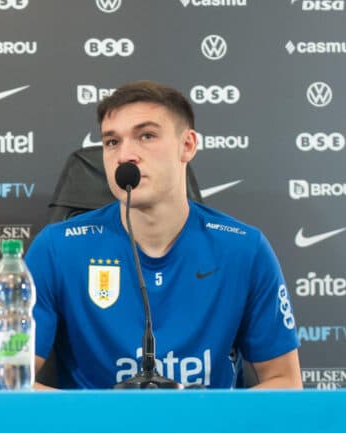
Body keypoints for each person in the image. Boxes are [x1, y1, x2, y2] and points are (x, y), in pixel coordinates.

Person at [25, 80, 302, 389]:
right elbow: (11, 382)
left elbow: (284, 381)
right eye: (112, 142)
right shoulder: (57, 248)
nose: (125, 155)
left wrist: (200, 420)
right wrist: (110, 419)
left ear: (188, 145)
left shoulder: (244, 249)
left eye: (146, 136)